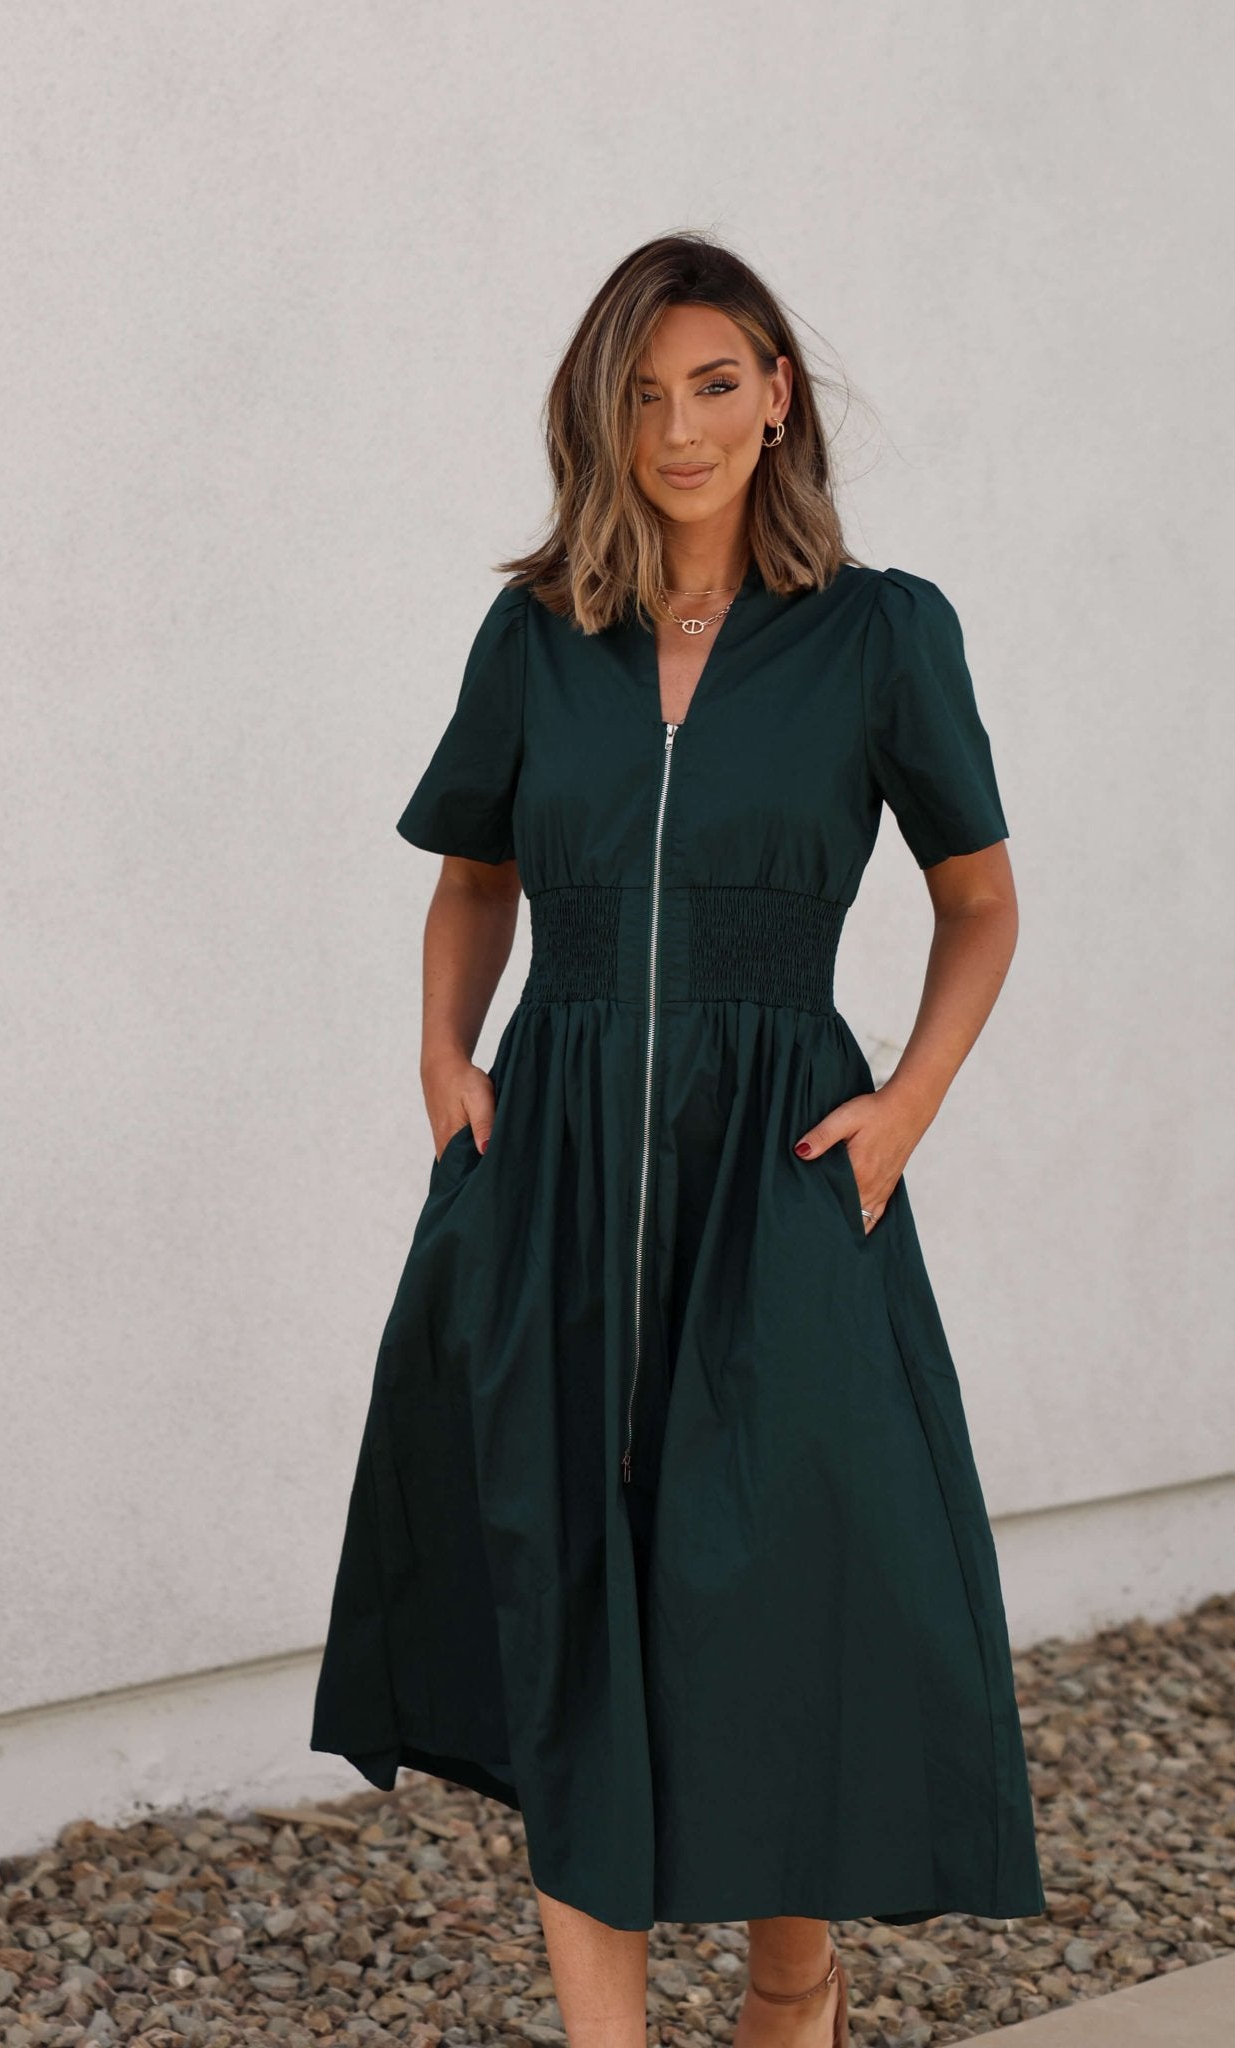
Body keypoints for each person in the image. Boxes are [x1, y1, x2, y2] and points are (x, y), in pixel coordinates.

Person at [311, 229, 1046, 2048]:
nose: (680, 425)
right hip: (552, 1166)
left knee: (780, 1591)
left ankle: (788, 1996)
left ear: (778, 395)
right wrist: (444, 1056)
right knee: (566, 1593)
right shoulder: (536, 633)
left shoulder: (881, 633)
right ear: (601, 418)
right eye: (642, 394)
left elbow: (981, 908)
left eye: (716, 383)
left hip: (782, 1175)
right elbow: (472, 879)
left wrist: (905, 1109)